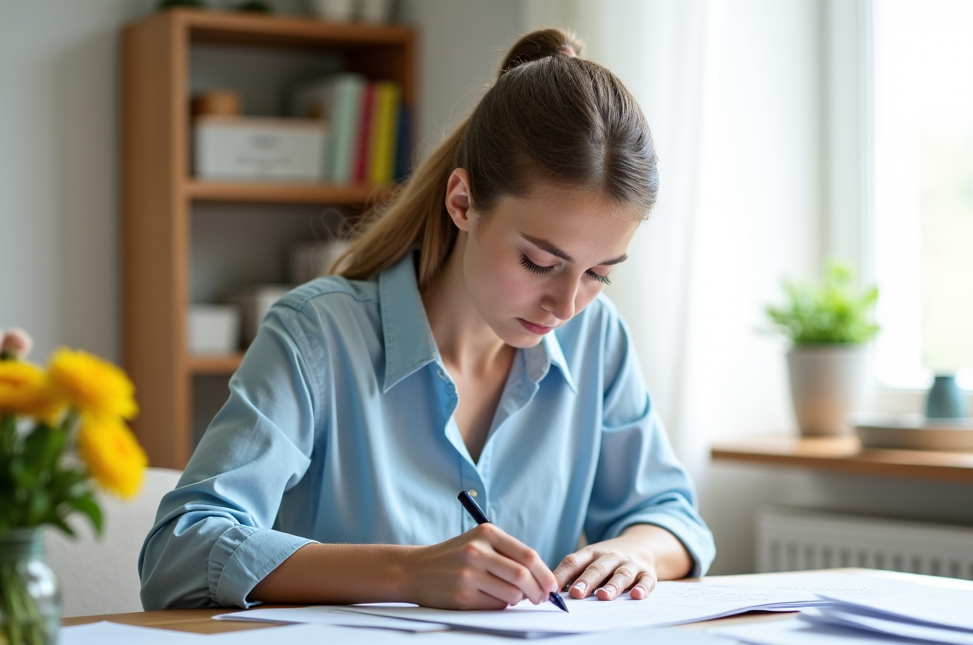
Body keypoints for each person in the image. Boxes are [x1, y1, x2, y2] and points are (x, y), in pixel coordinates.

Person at [139, 29, 715, 611]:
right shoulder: (316, 335)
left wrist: (638, 552)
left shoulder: (599, 338)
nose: (566, 306)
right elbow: (178, 554)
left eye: (599, 274)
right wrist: (405, 573)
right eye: (539, 262)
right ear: (463, 202)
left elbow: (670, 517)